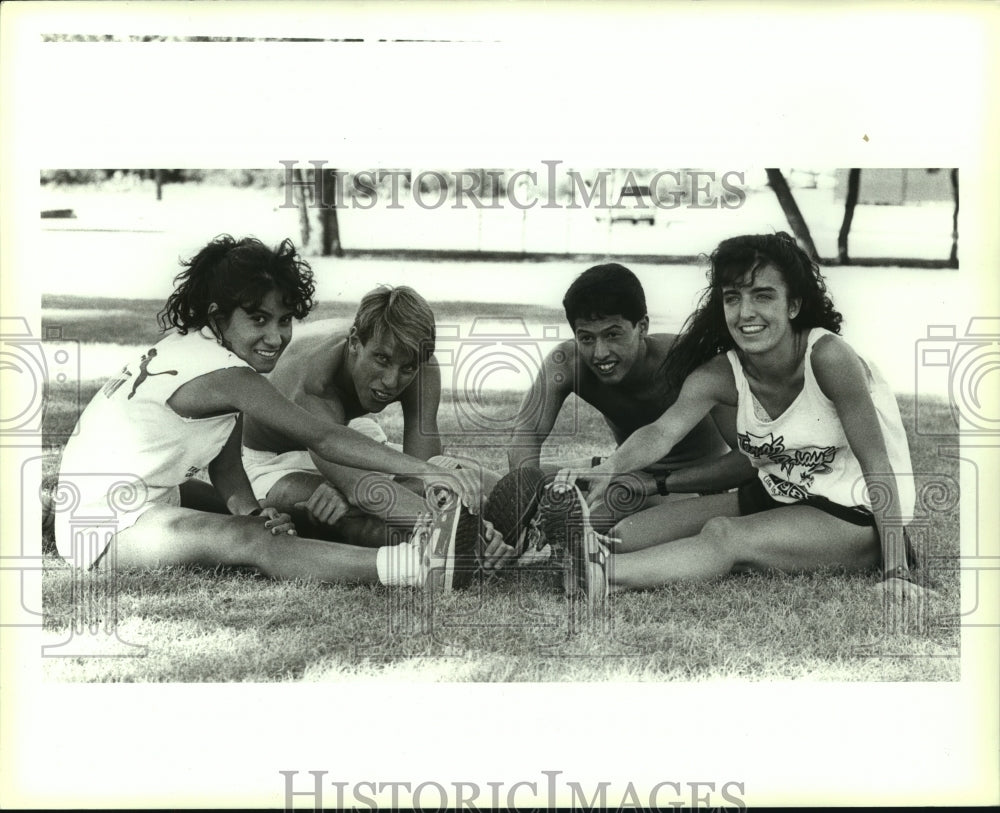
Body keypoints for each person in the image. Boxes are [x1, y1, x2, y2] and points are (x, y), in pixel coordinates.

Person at [54, 235, 499, 587]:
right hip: (103, 527)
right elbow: (324, 438)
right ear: (219, 314)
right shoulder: (226, 374)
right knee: (253, 541)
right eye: (259, 319)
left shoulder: (204, 351)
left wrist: (252, 511)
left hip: (148, 497)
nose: (276, 337)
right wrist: (423, 472)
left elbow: (227, 467)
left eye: (284, 320)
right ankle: (417, 568)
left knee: (268, 518)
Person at [551, 233, 924, 604]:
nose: (745, 312)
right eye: (732, 297)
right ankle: (580, 553)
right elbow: (662, 431)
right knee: (625, 536)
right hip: (779, 494)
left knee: (725, 535)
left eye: (762, 295)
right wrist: (613, 467)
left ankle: (601, 576)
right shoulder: (719, 374)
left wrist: (896, 570)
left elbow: (878, 463)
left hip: (853, 516)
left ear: (793, 305)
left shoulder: (828, 358)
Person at [240, 285, 505, 565]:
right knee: (346, 515)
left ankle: (528, 518)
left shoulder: (419, 362)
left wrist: (444, 487)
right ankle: (464, 553)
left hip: (349, 432)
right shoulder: (315, 384)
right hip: (278, 459)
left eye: (407, 368)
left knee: (471, 482)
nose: (392, 381)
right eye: (382, 359)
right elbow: (361, 487)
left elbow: (424, 470)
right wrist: (462, 531)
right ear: (355, 342)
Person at [501, 263, 754, 550]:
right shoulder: (567, 363)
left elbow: (747, 458)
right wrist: (523, 508)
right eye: (586, 338)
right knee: (514, 486)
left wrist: (659, 482)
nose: (600, 353)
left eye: (613, 334)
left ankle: (578, 538)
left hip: (687, 486)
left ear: (642, 326)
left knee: (601, 517)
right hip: (618, 470)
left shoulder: (688, 362)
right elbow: (526, 434)